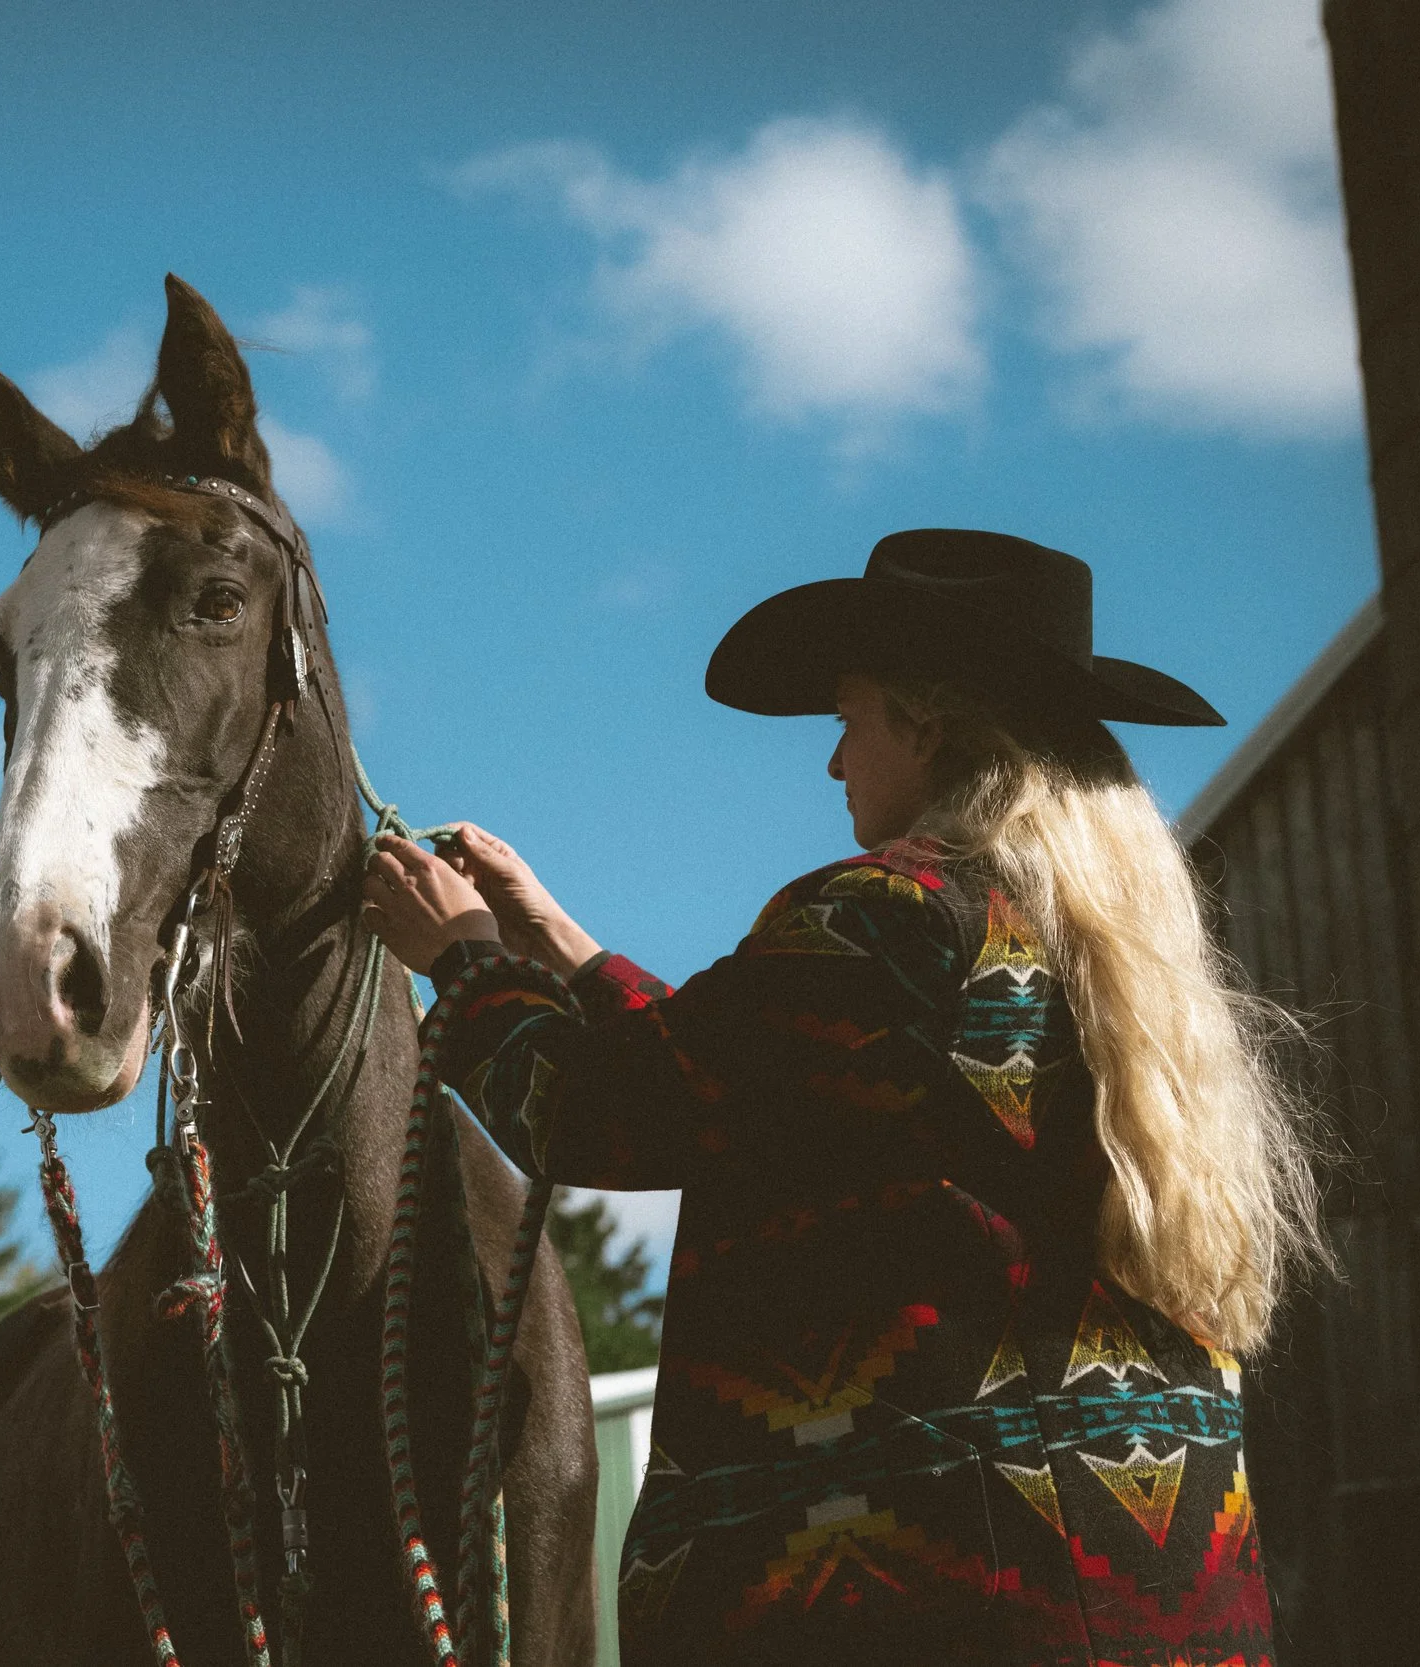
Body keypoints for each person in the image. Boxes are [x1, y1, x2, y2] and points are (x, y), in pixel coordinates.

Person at [361, 529, 1325, 1667]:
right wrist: (565, 949)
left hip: (939, 1611)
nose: (833, 762)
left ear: (925, 723)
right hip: (1166, 1613)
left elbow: (597, 1113)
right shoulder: (1089, 937)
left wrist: (462, 956)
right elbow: (776, 1076)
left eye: (846, 719)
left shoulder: (883, 908)